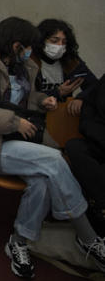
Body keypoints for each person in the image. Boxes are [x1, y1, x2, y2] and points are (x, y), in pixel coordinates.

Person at [0, 17, 105, 279]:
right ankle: (88, 237)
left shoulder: (22, 67)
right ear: (15, 45)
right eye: (27, 46)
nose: (32, 52)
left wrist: (44, 101)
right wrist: (14, 121)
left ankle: (18, 242)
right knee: (54, 161)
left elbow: (25, 99)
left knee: (42, 178)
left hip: (15, 142)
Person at [65, 74, 105, 236]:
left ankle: (99, 210)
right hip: (98, 138)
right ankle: (102, 205)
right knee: (74, 147)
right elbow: (90, 96)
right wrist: (81, 98)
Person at [33, 19, 97, 102]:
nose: (60, 45)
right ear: (41, 40)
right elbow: (26, 97)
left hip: (62, 111)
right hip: (35, 112)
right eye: (54, 41)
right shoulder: (30, 60)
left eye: (64, 42)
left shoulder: (71, 61)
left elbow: (95, 86)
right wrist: (57, 92)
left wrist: (81, 98)